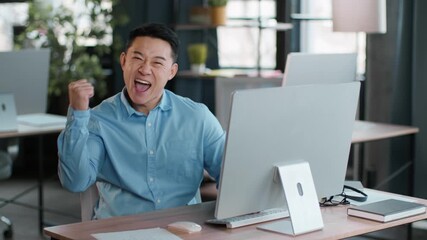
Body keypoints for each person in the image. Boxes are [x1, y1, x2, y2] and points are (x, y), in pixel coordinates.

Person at [57, 23, 226, 219]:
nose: (145, 69)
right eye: (137, 58)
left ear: (171, 71)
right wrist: (78, 114)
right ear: (123, 61)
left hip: (182, 230)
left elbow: (230, 174)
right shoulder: (99, 119)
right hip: (120, 231)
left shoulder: (197, 117)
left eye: (157, 62)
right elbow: (75, 181)